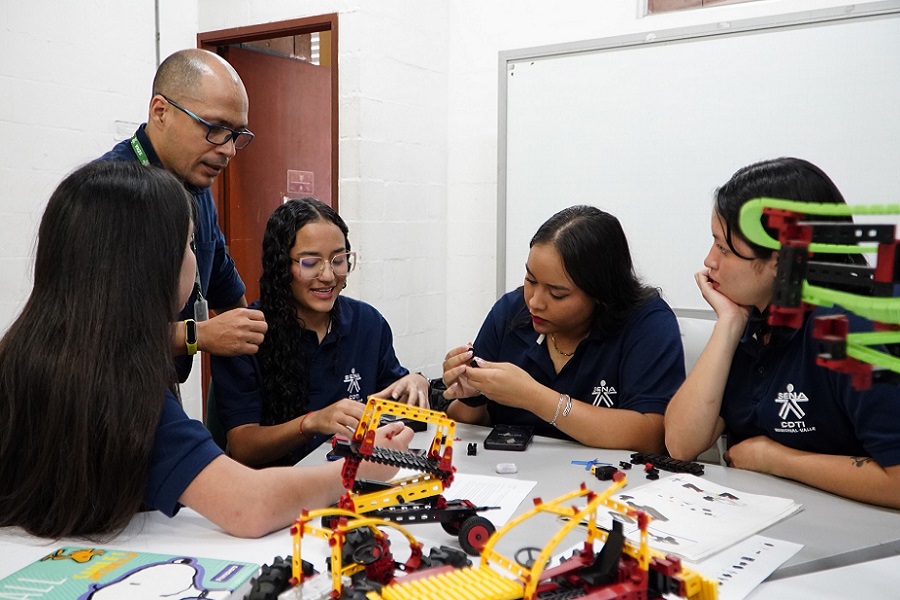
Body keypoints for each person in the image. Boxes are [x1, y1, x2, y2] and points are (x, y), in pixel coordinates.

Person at [0, 162, 412, 540]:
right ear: (148, 267)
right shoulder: (120, 384)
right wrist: (361, 468)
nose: (196, 262)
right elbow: (248, 504)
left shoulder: (21, 355)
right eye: (189, 245)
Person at [664, 157, 900, 509]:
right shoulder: (757, 318)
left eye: (725, 249)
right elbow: (681, 445)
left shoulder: (856, 326)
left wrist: (776, 459)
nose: (709, 260)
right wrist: (728, 324)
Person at [442, 205, 684, 452]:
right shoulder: (510, 313)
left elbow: (652, 435)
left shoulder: (647, 323)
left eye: (557, 294)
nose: (535, 302)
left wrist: (534, 397)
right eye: (530, 281)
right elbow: (468, 424)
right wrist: (472, 397)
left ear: (601, 293)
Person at [211, 198, 430, 468]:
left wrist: (417, 382)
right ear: (281, 265)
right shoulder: (245, 334)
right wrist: (314, 422)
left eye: (339, 260)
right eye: (311, 262)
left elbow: (395, 403)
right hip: (275, 488)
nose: (328, 276)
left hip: (351, 480)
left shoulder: (368, 323)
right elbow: (243, 447)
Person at [98, 48, 267, 381]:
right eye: (215, 128)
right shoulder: (104, 196)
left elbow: (221, 279)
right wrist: (197, 335)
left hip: (158, 386)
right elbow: (95, 334)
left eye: (236, 135)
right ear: (161, 111)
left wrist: (257, 342)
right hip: (103, 392)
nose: (228, 149)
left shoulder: (195, 184)